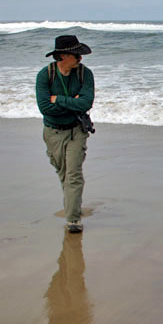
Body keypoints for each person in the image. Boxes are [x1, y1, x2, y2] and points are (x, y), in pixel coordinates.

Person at [36, 35, 95, 233]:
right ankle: (73, 206)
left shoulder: (85, 74)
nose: (80, 58)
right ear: (63, 56)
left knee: (73, 175)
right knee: (63, 173)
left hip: (77, 130)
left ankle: (73, 219)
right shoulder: (45, 75)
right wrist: (72, 102)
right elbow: (45, 108)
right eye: (76, 55)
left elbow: (85, 104)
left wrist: (58, 99)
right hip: (53, 132)